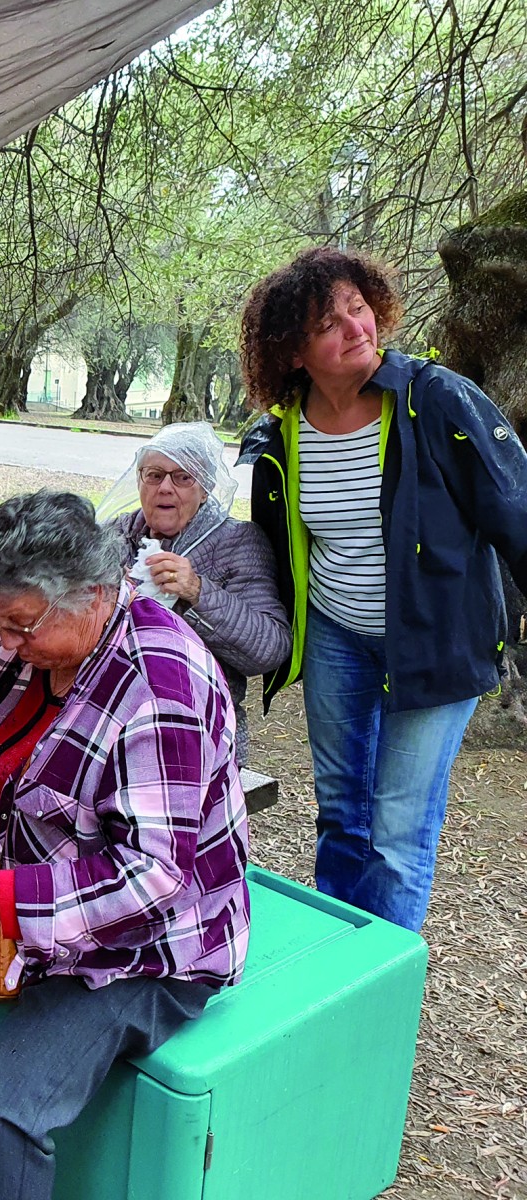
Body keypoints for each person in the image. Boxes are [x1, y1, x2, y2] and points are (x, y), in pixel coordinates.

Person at [0, 491, 249, 1200]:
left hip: (150, 948)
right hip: (48, 879)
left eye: (21, 625)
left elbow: (152, 877)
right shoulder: (34, 650)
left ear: (95, 593)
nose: (5, 644)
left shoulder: (158, 689)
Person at [239, 246, 527, 931]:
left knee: (398, 829)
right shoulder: (281, 433)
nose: (356, 328)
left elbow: (517, 508)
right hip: (339, 638)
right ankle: (339, 954)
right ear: (294, 351)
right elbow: (278, 547)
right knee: (341, 810)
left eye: (358, 308)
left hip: (436, 640)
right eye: (329, 323)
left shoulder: (436, 399)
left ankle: (379, 982)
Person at [93, 421, 290, 764]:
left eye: (183, 477)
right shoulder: (116, 534)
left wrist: (197, 591)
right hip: (107, 721)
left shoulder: (238, 542)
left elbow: (270, 649)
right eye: (153, 475)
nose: (165, 488)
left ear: (206, 487)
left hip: (198, 730)